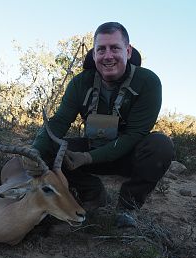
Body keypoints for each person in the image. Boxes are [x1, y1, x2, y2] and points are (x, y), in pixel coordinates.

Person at [32, 22, 174, 221]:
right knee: (49, 150)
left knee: (161, 145)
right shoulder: (80, 82)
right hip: (91, 147)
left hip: (127, 155)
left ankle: (128, 206)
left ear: (128, 51)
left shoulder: (148, 82)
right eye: (101, 50)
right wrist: (34, 151)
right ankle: (92, 192)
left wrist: (88, 158)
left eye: (115, 48)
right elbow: (60, 121)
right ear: (94, 54)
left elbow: (135, 134)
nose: (108, 56)